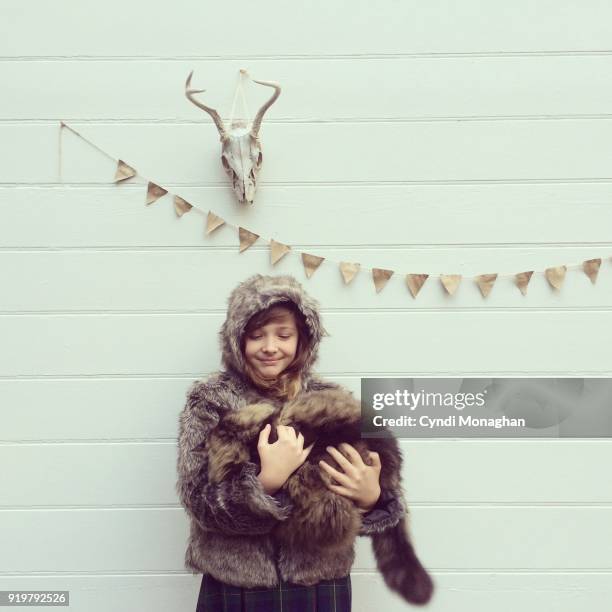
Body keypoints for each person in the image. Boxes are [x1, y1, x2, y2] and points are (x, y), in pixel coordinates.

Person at [176, 274, 408, 612]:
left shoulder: (334, 404)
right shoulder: (211, 402)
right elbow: (199, 502)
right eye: (256, 336)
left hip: (318, 584)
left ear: (303, 339)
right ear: (236, 341)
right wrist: (265, 483)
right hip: (239, 586)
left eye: (284, 335)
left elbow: (383, 495)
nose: (270, 347)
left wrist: (371, 498)